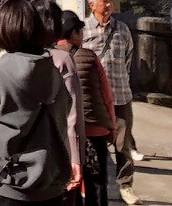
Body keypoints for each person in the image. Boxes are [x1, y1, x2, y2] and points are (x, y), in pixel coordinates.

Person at [0, 0, 75, 206]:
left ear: (2, 31)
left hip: (8, 188)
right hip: (50, 189)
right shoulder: (53, 72)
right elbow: (65, 111)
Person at [84, 0, 140, 204]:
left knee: (123, 145)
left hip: (120, 95)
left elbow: (128, 58)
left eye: (109, 0)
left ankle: (126, 185)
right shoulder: (84, 30)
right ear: (91, 4)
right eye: (103, 0)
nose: (108, 5)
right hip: (95, 100)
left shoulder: (122, 29)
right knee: (94, 146)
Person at [31, 0, 87, 198]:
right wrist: (76, 157)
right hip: (56, 150)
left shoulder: (11, 59)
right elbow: (73, 115)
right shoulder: (61, 59)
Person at [64, 11, 117, 206]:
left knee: (71, 183)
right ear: (74, 33)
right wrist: (111, 126)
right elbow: (106, 95)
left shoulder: (51, 56)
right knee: (97, 183)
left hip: (67, 132)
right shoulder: (89, 57)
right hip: (95, 129)